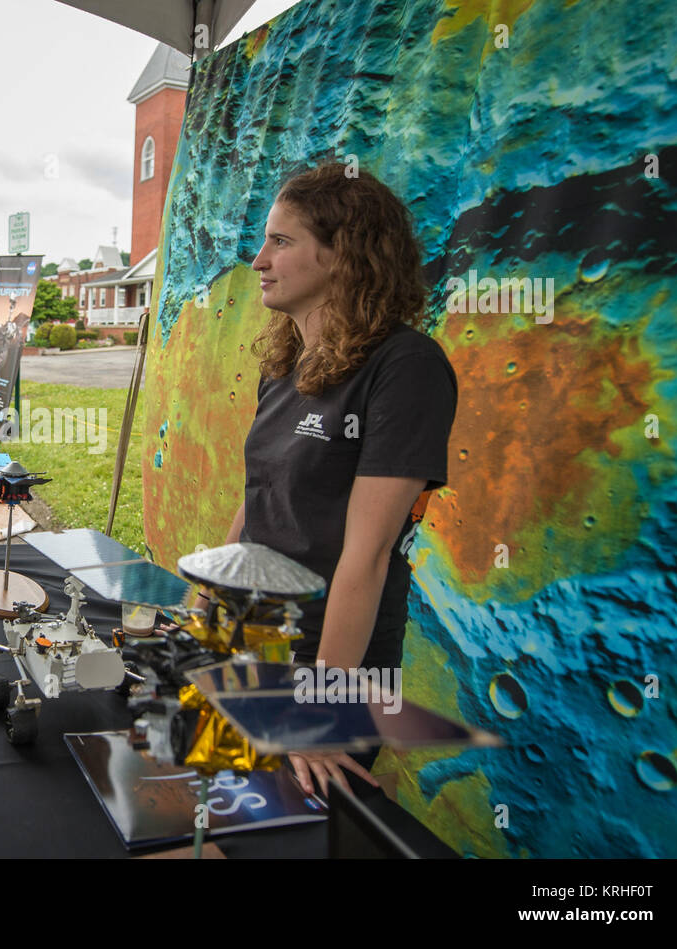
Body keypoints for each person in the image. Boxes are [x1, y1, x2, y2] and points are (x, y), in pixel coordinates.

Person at [223, 163, 457, 798]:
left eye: (281, 241)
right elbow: (259, 498)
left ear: (341, 255)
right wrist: (211, 600)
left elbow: (368, 553)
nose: (259, 260)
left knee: (290, 830)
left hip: (338, 660)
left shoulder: (406, 367)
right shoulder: (285, 363)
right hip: (263, 635)